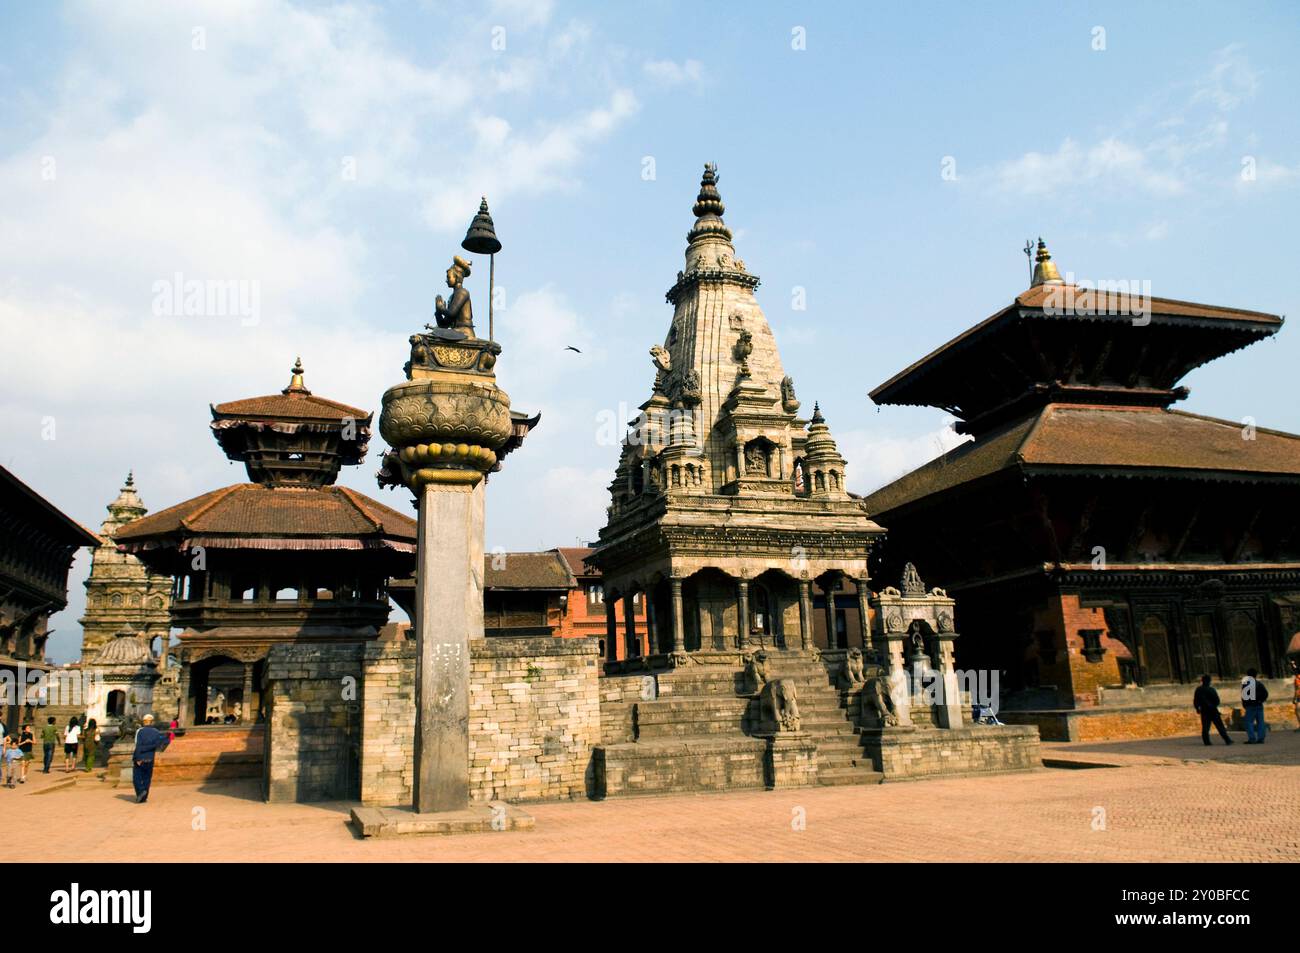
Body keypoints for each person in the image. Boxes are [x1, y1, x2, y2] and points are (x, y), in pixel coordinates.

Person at [131, 714, 169, 804]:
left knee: (137, 777)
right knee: (147, 777)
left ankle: (140, 791)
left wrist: (136, 758)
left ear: (143, 722)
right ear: (152, 722)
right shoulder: (156, 732)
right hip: (150, 757)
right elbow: (161, 742)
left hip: (140, 757)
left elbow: (137, 745)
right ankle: (144, 796)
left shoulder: (139, 731)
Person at [1193, 675, 1233, 746]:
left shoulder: (1198, 690)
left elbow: (1196, 701)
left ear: (1202, 681)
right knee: (1219, 726)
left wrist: (1197, 708)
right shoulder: (1211, 689)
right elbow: (1217, 701)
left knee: (1205, 727)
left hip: (1204, 710)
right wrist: (1213, 705)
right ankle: (1227, 740)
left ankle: (1206, 741)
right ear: (1209, 681)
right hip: (1213, 710)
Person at [1241, 668, 1270, 744]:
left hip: (1250, 705)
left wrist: (1245, 704)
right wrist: (1261, 700)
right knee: (1260, 722)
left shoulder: (1246, 684)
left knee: (1249, 722)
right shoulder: (1259, 684)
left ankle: (1252, 738)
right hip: (1259, 705)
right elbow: (1265, 694)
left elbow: (1244, 696)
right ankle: (1261, 738)